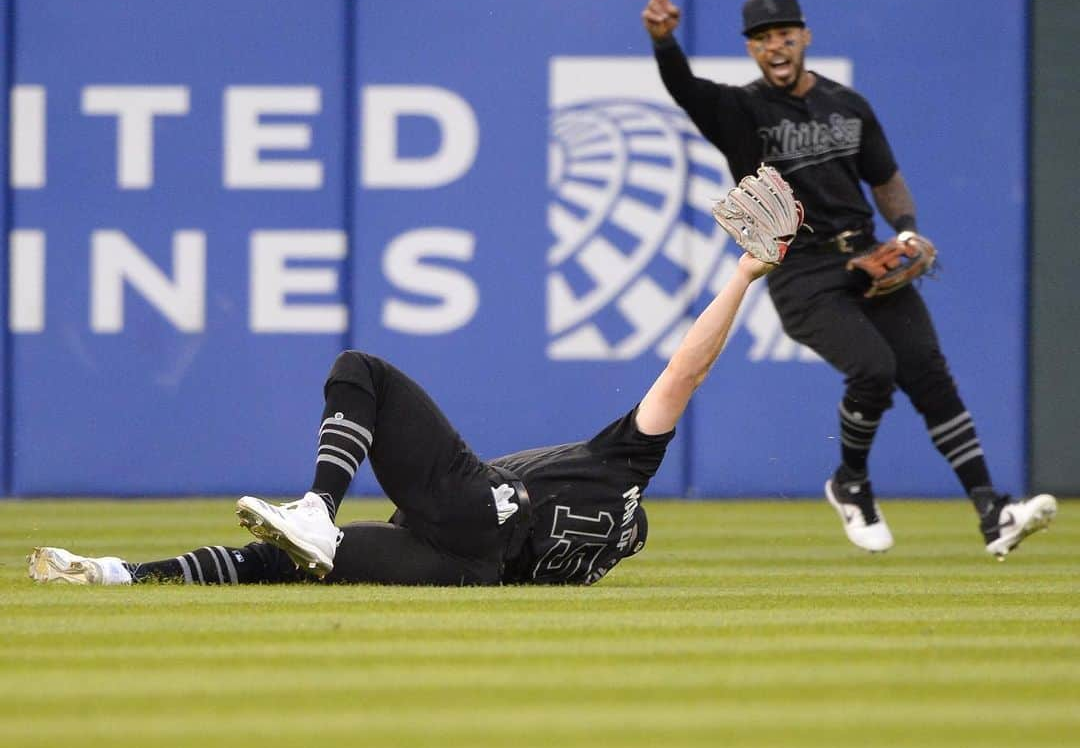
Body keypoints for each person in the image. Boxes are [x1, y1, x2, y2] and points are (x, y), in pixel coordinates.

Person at [29, 239, 781, 588]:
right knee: (292, 567)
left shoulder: (625, 469)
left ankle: (319, 504)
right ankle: (117, 575)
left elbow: (688, 368)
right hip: (463, 569)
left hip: (481, 513)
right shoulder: (585, 571)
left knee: (363, 372)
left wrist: (744, 273)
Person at [641, 0, 1057, 559]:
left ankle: (993, 511)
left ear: (805, 36)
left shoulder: (846, 104)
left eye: (784, 33)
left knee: (930, 376)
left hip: (867, 254)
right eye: (761, 38)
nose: (774, 46)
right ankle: (851, 484)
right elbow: (684, 88)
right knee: (874, 368)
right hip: (801, 271)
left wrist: (906, 230)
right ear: (750, 49)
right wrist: (663, 41)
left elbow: (885, 180)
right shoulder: (739, 110)